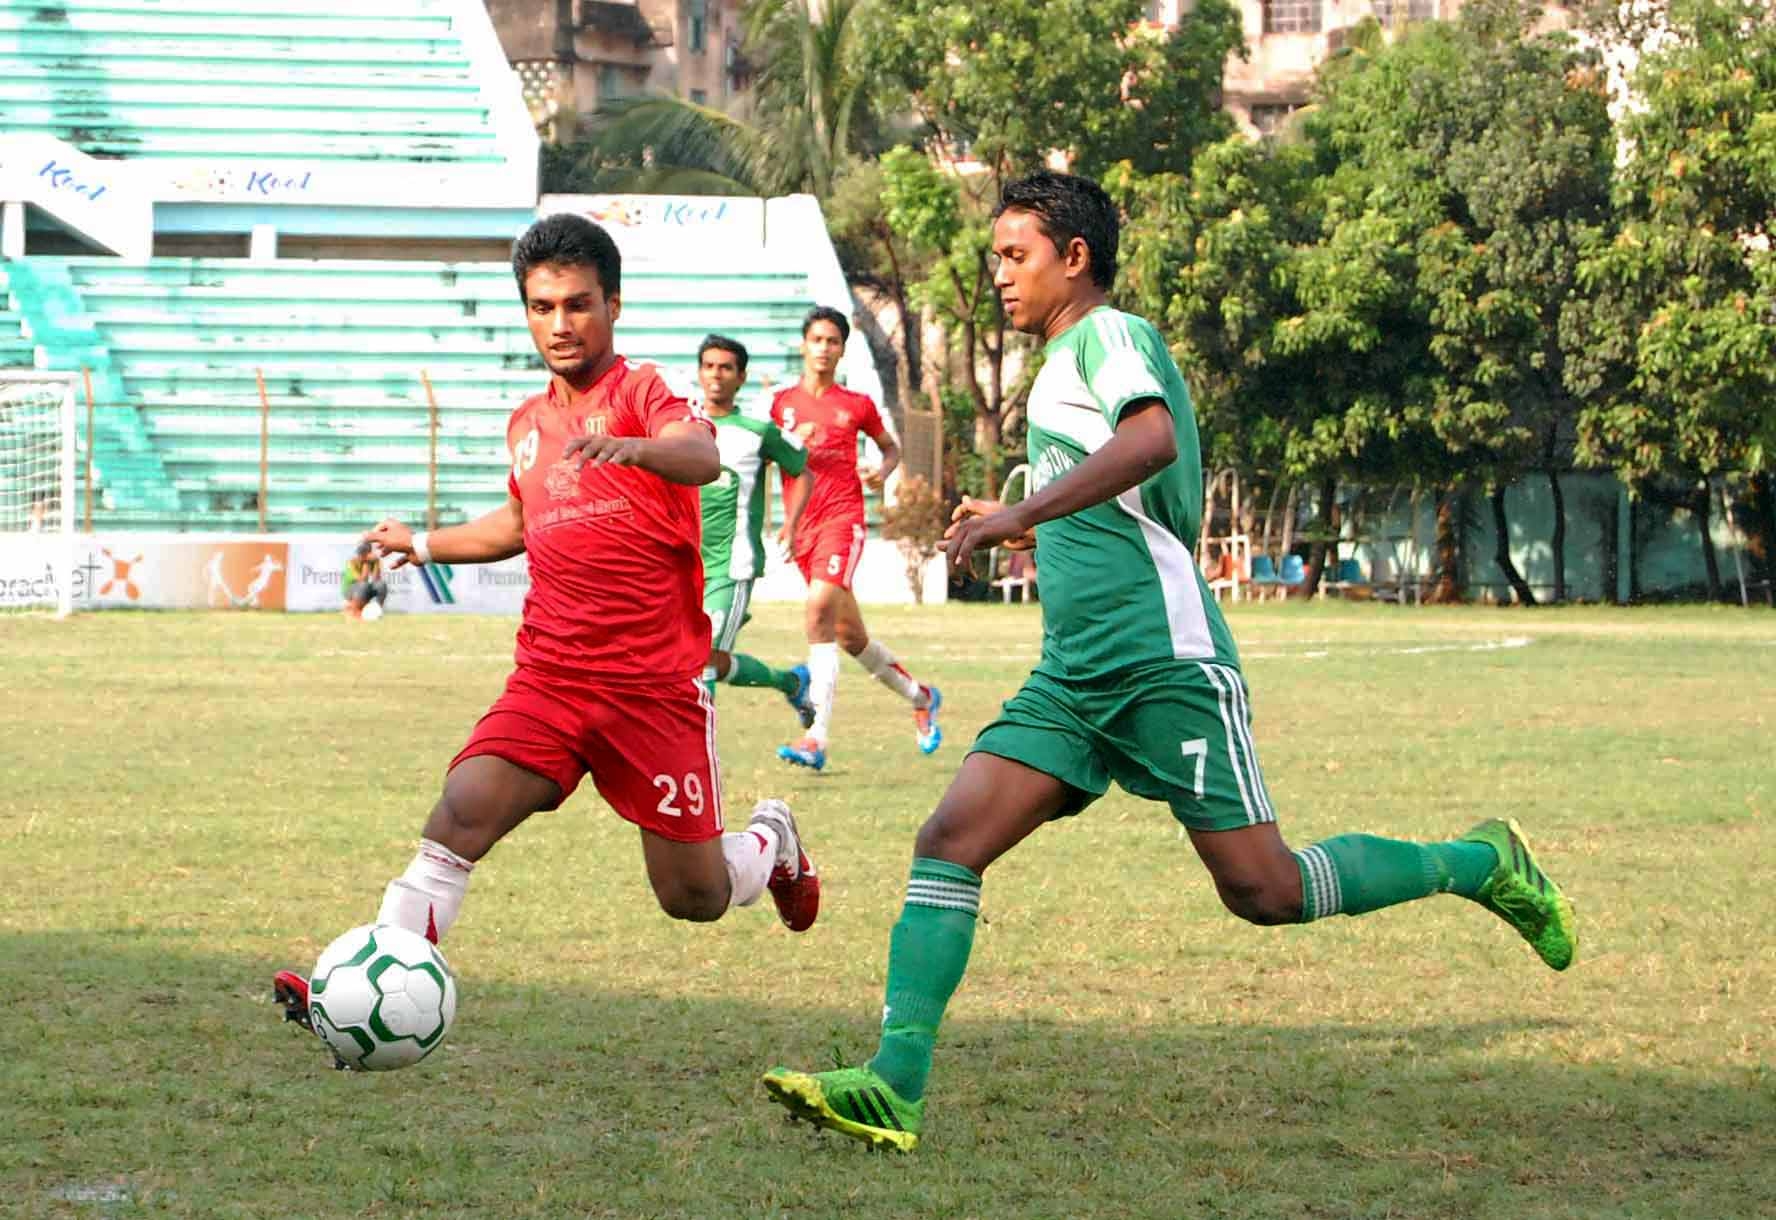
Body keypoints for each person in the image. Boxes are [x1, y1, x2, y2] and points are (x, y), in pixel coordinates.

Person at [760, 171, 1576, 1151]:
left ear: (1075, 257)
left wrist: (1021, 513)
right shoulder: (1062, 362)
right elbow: (1134, 501)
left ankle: (1480, 860)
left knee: (1265, 889)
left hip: (1163, 661)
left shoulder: (1110, 335)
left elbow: (1150, 439)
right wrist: (1029, 523)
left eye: (1015, 255)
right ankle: (895, 1085)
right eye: (995, 258)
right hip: (1074, 675)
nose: (1001, 275)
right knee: (949, 840)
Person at [274, 214, 820, 1051]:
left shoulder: (644, 393)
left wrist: (633, 448)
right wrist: (422, 543)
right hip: (552, 679)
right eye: (542, 307)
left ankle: (769, 838)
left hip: (651, 691)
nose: (560, 324)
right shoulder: (527, 423)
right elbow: (518, 523)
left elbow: (700, 457)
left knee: (694, 897)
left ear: (612, 305)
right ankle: (360, 986)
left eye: (577, 304)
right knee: (460, 814)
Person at [771, 306, 941, 772]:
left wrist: (881, 472)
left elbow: (890, 449)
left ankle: (816, 736)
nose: (824, 348)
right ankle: (921, 697)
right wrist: (793, 448)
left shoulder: (857, 404)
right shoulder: (781, 404)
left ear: (842, 350)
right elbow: (770, 460)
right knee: (850, 636)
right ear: (804, 345)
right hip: (804, 530)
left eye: (833, 341)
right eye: (817, 340)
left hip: (842, 522)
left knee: (817, 611)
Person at [693, 334, 816, 729]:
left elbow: (802, 471)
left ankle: (698, 750)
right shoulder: (682, 429)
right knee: (700, 658)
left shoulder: (758, 430)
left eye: (726, 367)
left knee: (702, 659)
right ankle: (790, 682)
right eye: (709, 366)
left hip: (732, 564)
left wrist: (791, 524)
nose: (716, 374)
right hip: (683, 564)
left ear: (741, 377)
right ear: (699, 372)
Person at [341, 541, 387, 620]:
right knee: (363, 585)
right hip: (350, 591)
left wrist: (376, 562)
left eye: (365, 552)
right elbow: (363, 579)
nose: (361, 555)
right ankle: (354, 612)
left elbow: (376, 579)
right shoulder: (351, 562)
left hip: (364, 590)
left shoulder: (373, 561)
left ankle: (377, 611)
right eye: (361, 552)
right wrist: (366, 563)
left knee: (381, 585)